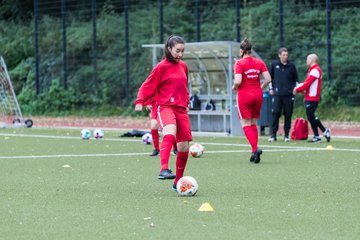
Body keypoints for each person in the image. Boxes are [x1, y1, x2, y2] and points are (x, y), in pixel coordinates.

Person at [135, 35, 192, 190]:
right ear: (169, 49)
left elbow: (185, 87)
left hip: (181, 109)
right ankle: (163, 169)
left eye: (182, 51)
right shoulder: (161, 67)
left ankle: (177, 182)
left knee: (184, 147)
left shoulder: (183, 66)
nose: (180, 54)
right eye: (177, 51)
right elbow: (147, 85)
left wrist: (186, 102)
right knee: (170, 133)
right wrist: (140, 101)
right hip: (164, 106)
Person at [232, 39, 271, 164]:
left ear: (242, 51)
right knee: (253, 123)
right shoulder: (259, 62)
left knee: (245, 124)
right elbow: (268, 79)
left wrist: (234, 87)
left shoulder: (239, 63)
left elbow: (238, 81)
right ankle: (254, 152)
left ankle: (255, 148)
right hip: (257, 95)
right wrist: (260, 88)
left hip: (244, 95)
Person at [293, 53, 331, 143]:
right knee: (311, 117)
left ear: (312, 60)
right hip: (309, 97)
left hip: (312, 97)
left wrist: (297, 89)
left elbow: (307, 84)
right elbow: (307, 83)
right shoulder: (312, 70)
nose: (306, 61)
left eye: (307, 59)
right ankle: (320, 134)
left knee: (311, 117)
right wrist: (301, 89)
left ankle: (322, 133)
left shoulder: (315, 70)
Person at [268, 48, 299, 142]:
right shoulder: (274, 65)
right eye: (284, 55)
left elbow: (296, 80)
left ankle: (286, 135)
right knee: (275, 113)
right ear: (279, 55)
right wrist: (271, 89)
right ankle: (273, 135)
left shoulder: (291, 66)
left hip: (289, 95)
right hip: (277, 94)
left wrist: (295, 89)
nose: (286, 56)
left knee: (288, 114)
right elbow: (270, 78)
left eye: (286, 55)